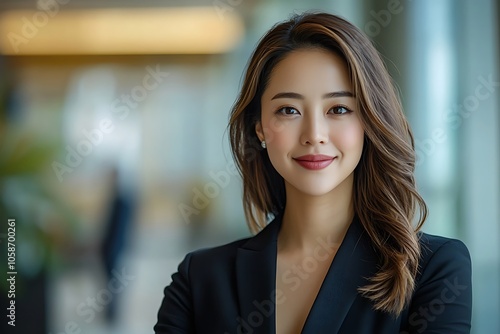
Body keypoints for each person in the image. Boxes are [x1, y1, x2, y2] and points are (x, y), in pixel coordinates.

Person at [154, 12, 472, 334]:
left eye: (339, 109)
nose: (314, 134)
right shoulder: (199, 279)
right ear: (260, 129)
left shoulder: (434, 269)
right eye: (288, 110)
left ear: (369, 123)